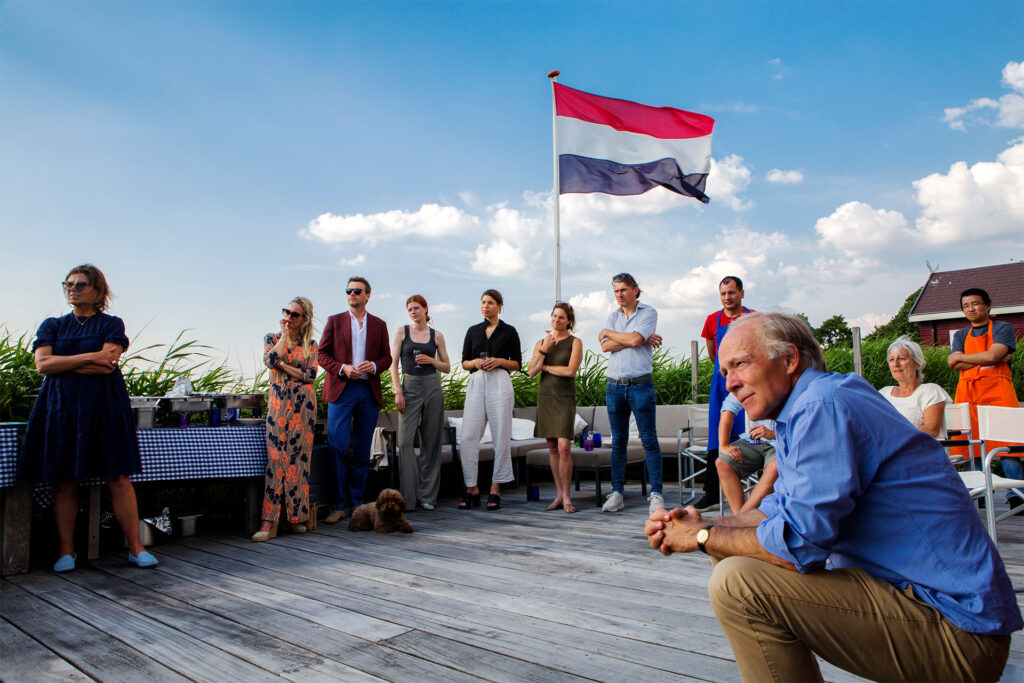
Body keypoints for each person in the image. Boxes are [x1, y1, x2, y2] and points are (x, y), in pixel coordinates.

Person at [645, 312, 1021, 682]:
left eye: (740, 365)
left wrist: (701, 537)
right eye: (725, 372)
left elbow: (800, 544)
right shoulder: (806, 408)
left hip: (956, 628)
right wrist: (699, 523)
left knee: (737, 582)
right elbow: (774, 512)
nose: (730, 384)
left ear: (790, 359)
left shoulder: (822, 406)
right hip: (916, 603)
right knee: (732, 556)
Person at [19, 264, 158, 571]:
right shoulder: (53, 325)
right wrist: (90, 356)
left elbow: (107, 365)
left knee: (119, 477)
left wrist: (64, 363)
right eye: (68, 284)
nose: (73, 289)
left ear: (98, 291)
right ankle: (66, 551)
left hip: (105, 408)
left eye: (80, 285)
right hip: (62, 408)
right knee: (65, 479)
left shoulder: (111, 324)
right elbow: (43, 365)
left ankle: (136, 548)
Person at [318, 277, 392, 524]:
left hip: (367, 391)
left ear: (367, 295)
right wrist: (342, 368)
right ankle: (338, 506)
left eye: (357, 291)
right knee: (337, 447)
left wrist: (373, 365)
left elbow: (387, 358)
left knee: (362, 450)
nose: (351, 294)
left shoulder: (380, 325)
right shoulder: (335, 321)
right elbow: (322, 355)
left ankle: (357, 504)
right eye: (348, 291)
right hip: (342, 390)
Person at [252, 297, 319, 542]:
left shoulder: (311, 344)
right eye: (287, 312)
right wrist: (283, 338)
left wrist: (283, 366)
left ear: (305, 319)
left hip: (304, 406)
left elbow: (310, 375)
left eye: (295, 315)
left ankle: (295, 518)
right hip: (279, 404)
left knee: (299, 461)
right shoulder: (272, 338)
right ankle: (268, 521)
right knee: (276, 459)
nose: (289, 318)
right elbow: (269, 361)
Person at [948, 287, 1022, 506]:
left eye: (975, 303)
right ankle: (979, 493)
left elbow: (992, 355)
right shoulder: (961, 334)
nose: (971, 308)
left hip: (998, 394)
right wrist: (990, 358)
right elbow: (953, 362)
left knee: (1009, 446)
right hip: (968, 395)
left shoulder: (1003, 328)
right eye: (966, 306)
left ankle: (1016, 496)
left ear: (988, 305)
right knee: (972, 445)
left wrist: (969, 358)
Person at [598, 273, 664, 514]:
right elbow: (606, 346)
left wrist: (613, 333)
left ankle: (656, 493)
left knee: (649, 439)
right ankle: (617, 492)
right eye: (616, 291)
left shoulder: (648, 312)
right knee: (618, 442)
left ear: (635, 290)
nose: (619, 295)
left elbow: (634, 340)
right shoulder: (612, 316)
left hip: (640, 385)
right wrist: (637, 338)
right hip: (614, 386)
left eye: (624, 290)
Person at [693, 276, 752, 512]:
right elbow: (712, 352)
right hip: (722, 382)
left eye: (731, 292)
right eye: (723, 294)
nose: (727, 297)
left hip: (748, 381)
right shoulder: (712, 320)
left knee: (749, 432)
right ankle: (711, 493)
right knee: (717, 436)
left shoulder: (753, 317)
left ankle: (751, 490)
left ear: (741, 293)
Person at [459, 289, 522, 511]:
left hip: (500, 382)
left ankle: (495, 488)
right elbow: (464, 362)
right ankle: (471, 487)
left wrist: (500, 361)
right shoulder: (473, 331)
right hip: (477, 382)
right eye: (483, 302)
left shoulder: (509, 331)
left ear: (499, 306)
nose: (486, 306)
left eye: (490, 303)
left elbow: (517, 364)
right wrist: (475, 362)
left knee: (501, 435)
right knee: (467, 437)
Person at [390, 295, 451, 512]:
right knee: (405, 442)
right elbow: (393, 365)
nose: (413, 312)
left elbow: (447, 367)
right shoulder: (401, 332)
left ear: (426, 309)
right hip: (409, 386)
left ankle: (428, 496)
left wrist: (431, 360)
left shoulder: (437, 336)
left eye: (416, 308)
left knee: (431, 442)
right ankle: (408, 496)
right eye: (409, 309)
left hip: (433, 386)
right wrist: (398, 392)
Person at [526, 301, 583, 513]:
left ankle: (567, 496)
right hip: (546, 397)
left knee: (564, 447)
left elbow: (570, 371)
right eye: (554, 316)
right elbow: (531, 372)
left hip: (564, 397)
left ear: (569, 321)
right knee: (552, 448)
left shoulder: (575, 342)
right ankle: (559, 495)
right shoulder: (542, 342)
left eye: (561, 317)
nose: (556, 320)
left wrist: (546, 366)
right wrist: (543, 350)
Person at [714, 393, 777, 515]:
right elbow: (728, 410)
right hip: (754, 441)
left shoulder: (786, 382)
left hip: (780, 442)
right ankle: (739, 516)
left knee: (774, 468)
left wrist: (774, 433)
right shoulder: (745, 382)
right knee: (723, 462)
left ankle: (742, 519)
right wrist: (724, 445)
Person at [879, 335, 951, 438]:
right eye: (891, 360)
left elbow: (932, 430)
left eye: (902, 359)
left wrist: (893, 432)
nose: (895, 364)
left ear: (917, 363)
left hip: (919, 451)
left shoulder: (930, 391)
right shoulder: (883, 393)